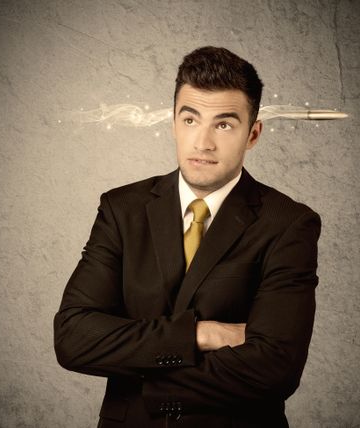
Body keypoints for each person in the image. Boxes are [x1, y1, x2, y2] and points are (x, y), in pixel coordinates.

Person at [54, 46, 321, 428]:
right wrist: (201, 334)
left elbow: (275, 368)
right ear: (174, 123)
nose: (203, 142)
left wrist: (142, 377)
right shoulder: (121, 208)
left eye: (224, 124)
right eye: (191, 119)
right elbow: (73, 336)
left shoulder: (289, 224)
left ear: (253, 134)